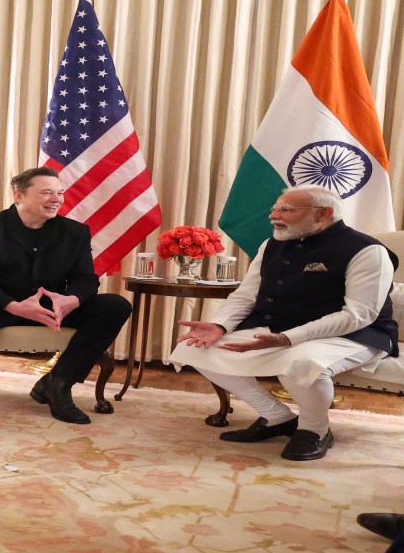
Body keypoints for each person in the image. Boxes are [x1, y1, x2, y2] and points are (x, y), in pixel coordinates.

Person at [170, 184, 397, 461]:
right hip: (279, 328)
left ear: (322, 213)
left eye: (286, 210)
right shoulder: (271, 245)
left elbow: (358, 315)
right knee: (195, 348)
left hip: (354, 334)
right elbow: (246, 295)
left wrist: (290, 338)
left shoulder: (367, 250)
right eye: (274, 208)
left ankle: (315, 430)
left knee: (300, 362)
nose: (273, 216)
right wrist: (220, 326)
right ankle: (277, 417)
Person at [0, 167, 131, 440]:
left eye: (60, 193)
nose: (56, 199)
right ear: (19, 195)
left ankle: (58, 383)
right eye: (47, 193)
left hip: (46, 306)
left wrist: (71, 300)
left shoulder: (75, 232)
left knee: (115, 305)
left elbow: (86, 279)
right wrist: (14, 306)